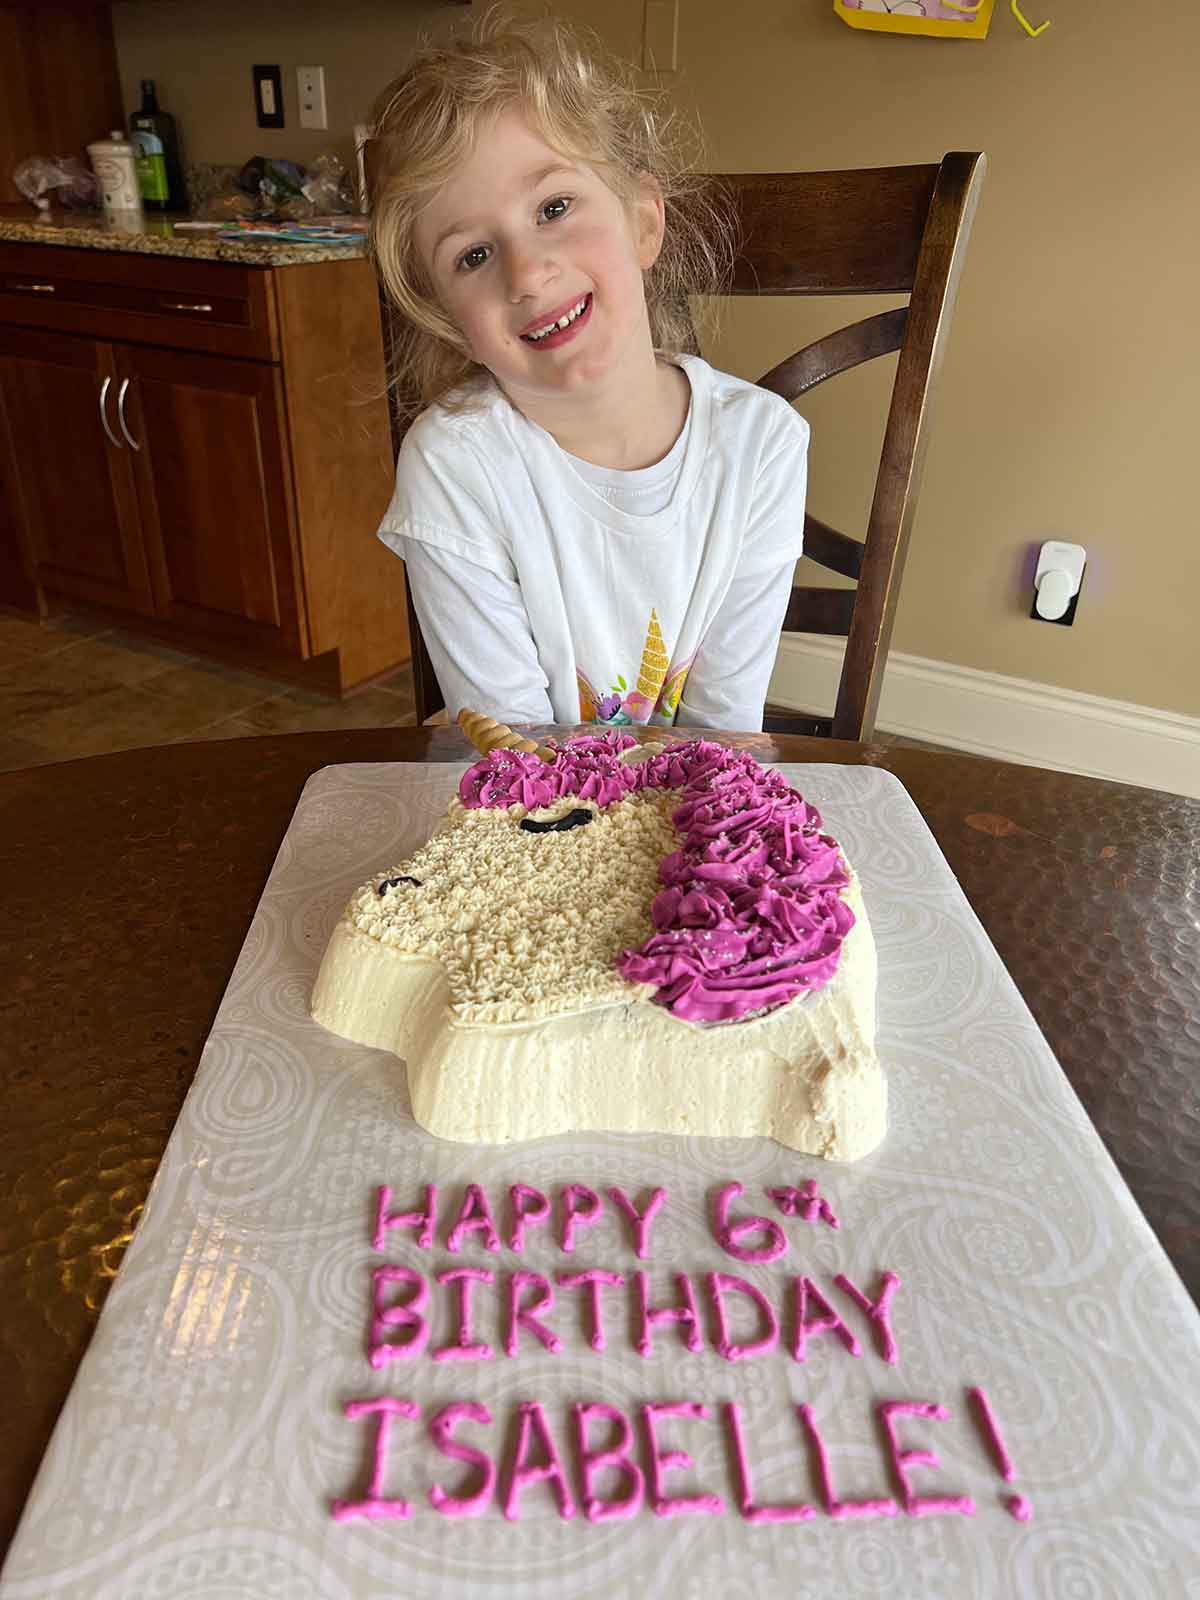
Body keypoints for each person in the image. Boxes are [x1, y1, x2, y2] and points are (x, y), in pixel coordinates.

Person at [369, 8, 809, 731]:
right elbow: (515, 754)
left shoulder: (764, 445)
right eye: (473, 255)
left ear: (643, 222)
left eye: (554, 207)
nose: (527, 273)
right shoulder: (454, 464)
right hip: (531, 792)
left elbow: (724, 731)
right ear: (452, 324)